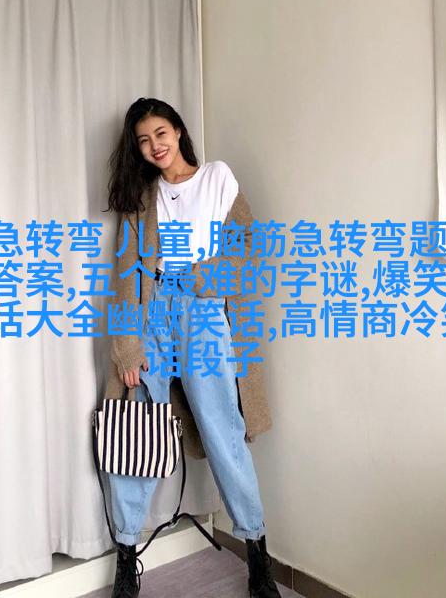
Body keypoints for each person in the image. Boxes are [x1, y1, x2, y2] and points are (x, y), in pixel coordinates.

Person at [104, 97, 280, 598]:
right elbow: (126, 273)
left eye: (160, 133)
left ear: (178, 131)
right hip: (153, 311)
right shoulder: (142, 198)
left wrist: (206, 277)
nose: (154, 146)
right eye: (143, 140)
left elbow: (247, 245)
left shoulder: (217, 178)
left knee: (224, 431)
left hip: (202, 312)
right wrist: (127, 346)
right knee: (136, 435)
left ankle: (258, 556)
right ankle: (125, 557)